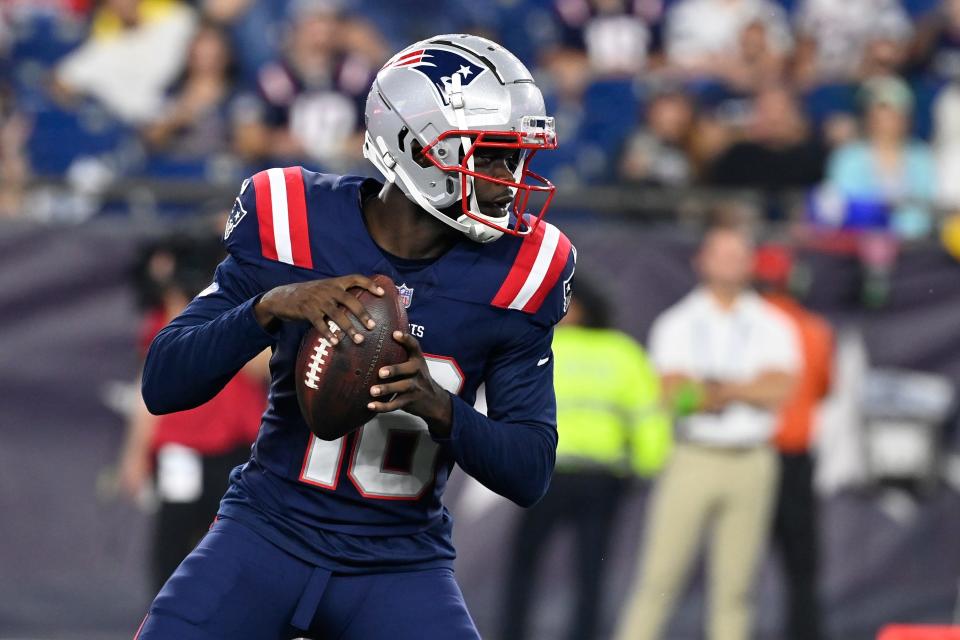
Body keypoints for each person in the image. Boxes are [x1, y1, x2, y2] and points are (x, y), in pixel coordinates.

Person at [135, 33, 575, 640]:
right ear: (416, 146)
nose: (510, 180)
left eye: (517, 158)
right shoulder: (292, 217)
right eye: (492, 156)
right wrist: (268, 306)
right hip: (267, 532)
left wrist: (438, 407)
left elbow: (530, 472)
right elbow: (164, 382)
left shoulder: (523, 270)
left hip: (401, 560)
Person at [615, 223, 800, 640]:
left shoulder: (773, 323)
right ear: (702, 261)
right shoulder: (678, 322)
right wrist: (742, 388)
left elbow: (779, 389)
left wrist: (712, 389)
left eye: (738, 254)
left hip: (751, 458)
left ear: (751, 262)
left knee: (736, 587)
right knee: (659, 580)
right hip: (693, 456)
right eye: (722, 253)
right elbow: (675, 395)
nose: (731, 262)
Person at [499, 279, 670, 640]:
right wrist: (646, 465)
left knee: (534, 564)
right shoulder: (621, 352)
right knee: (587, 568)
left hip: (556, 473)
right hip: (593, 477)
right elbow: (647, 415)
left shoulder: (541, 345)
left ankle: (516, 632)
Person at [118, 234, 269, 593]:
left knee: (232, 543)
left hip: (236, 447)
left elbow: (259, 368)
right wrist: (135, 452)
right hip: (181, 447)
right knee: (172, 543)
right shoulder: (162, 322)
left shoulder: (236, 310)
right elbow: (149, 387)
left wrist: (233, 324)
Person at [754, 244, 834, 640]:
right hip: (793, 458)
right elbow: (822, 389)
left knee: (738, 566)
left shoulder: (746, 326)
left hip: (750, 454)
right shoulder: (814, 330)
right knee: (801, 567)